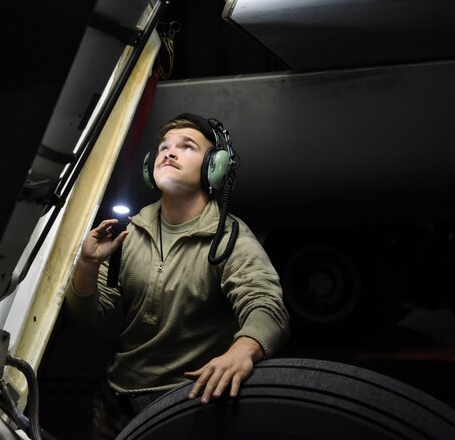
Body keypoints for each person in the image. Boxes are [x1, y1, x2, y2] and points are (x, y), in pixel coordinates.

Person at [63, 113, 289, 439]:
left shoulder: (230, 239)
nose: (169, 153)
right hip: (115, 401)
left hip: (188, 403)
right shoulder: (129, 233)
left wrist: (243, 351)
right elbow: (84, 320)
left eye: (187, 147)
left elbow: (267, 306)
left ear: (215, 166)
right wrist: (87, 264)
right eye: (163, 147)